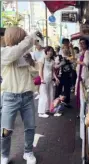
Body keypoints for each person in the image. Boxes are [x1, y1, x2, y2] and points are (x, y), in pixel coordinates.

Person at [1, 27, 40, 164]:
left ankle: (28, 152)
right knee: (6, 130)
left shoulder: (24, 54)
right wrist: (30, 38)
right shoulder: (4, 52)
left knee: (30, 127)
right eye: (22, 37)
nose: (24, 39)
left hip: (27, 95)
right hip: (10, 97)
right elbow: (15, 52)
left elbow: (35, 75)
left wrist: (31, 63)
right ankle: (4, 155)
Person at [38, 46, 59, 118]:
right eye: (49, 51)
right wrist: (41, 79)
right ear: (46, 51)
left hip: (50, 80)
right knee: (44, 95)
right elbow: (40, 70)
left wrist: (56, 78)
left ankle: (49, 109)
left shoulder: (52, 61)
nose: (50, 52)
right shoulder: (42, 59)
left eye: (51, 51)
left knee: (51, 94)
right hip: (44, 80)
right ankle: (41, 112)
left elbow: (53, 71)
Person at [75, 38, 89, 111]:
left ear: (86, 44)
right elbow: (75, 57)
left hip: (84, 76)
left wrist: (75, 61)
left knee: (83, 96)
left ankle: (84, 112)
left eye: (83, 43)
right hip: (80, 76)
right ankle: (82, 112)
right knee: (81, 95)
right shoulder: (82, 52)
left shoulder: (87, 52)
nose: (81, 44)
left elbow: (86, 63)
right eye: (80, 43)